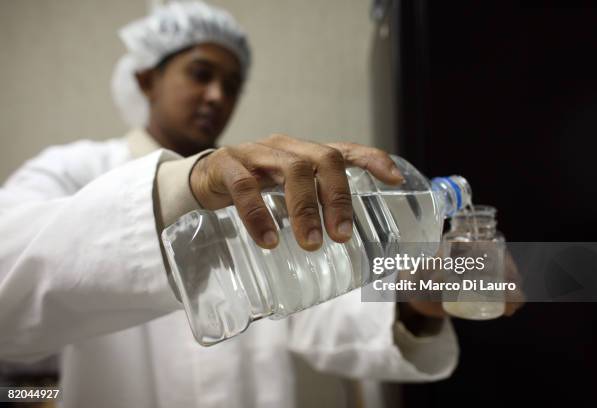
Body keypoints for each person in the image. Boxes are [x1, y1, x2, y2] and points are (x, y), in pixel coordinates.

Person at [0, 2, 520, 407]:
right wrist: (38, 397)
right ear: (146, 78)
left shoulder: (263, 186)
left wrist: (413, 301)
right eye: (200, 74)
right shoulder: (72, 171)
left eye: (231, 84)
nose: (216, 96)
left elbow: (314, 299)